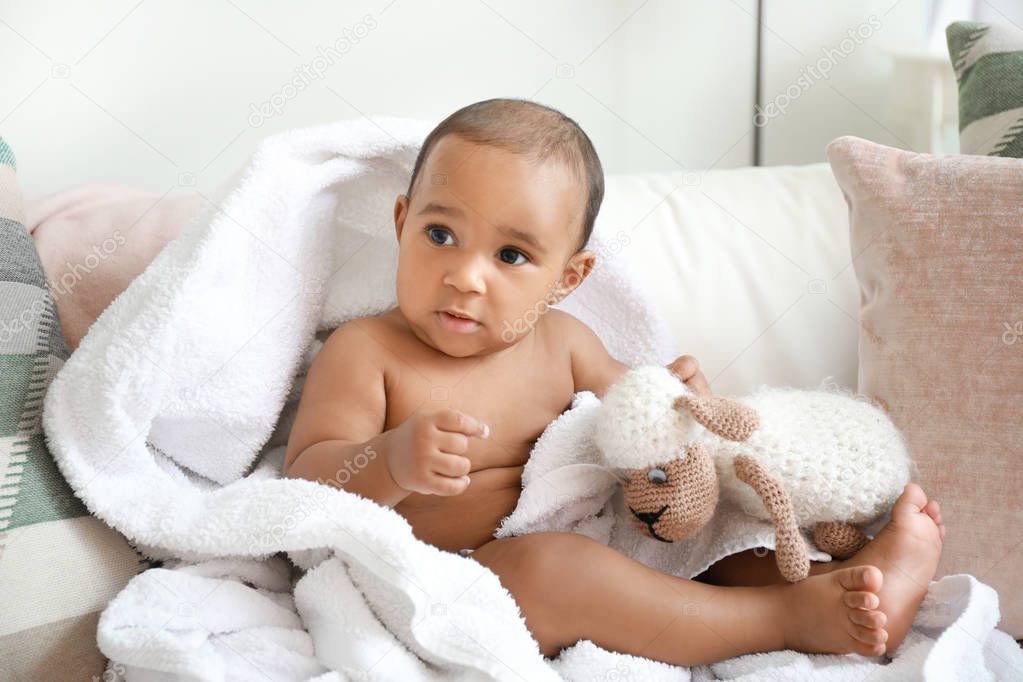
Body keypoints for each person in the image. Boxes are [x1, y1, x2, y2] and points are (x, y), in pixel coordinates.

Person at [283, 98, 945, 666]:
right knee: (551, 571)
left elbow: (648, 423)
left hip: (602, 539)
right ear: (402, 224)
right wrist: (392, 459)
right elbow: (309, 481)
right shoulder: (367, 351)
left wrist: (689, 405)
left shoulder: (566, 343)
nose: (466, 276)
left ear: (566, 279)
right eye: (440, 234)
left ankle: (845, 586)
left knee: (710, 533)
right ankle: (784, 621)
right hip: (466, 578)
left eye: (510, 255)